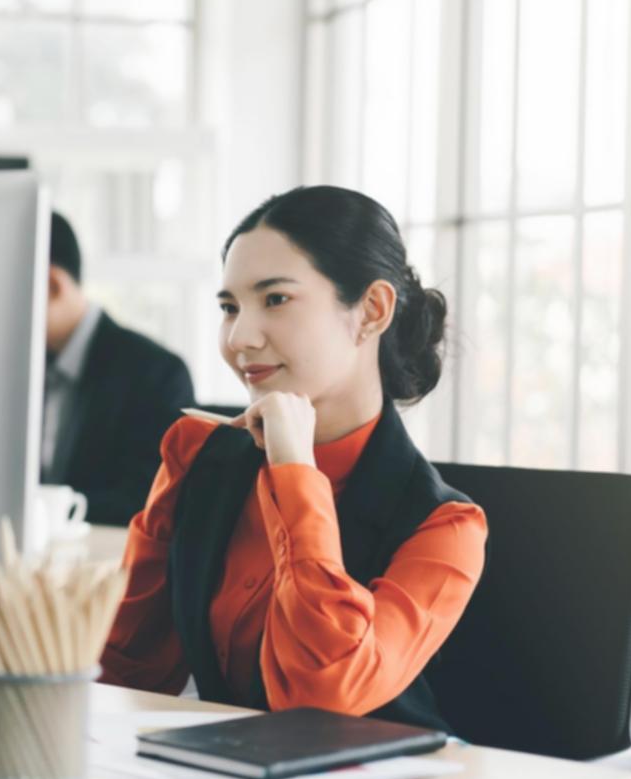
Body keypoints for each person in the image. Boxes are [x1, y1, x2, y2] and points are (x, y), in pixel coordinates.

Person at [99, 186, 487, 731]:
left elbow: (321, 696)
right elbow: (127, 668)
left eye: (275, 299)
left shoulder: (449, 528)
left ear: (372, 310)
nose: (240, 337)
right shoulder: (196, 455)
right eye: (229, 307)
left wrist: (296, 475)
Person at [42, 212, 195, 526]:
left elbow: (150, 499)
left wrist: (47, 509)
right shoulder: (12, 367)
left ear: (52, 285)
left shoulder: (157, 373)